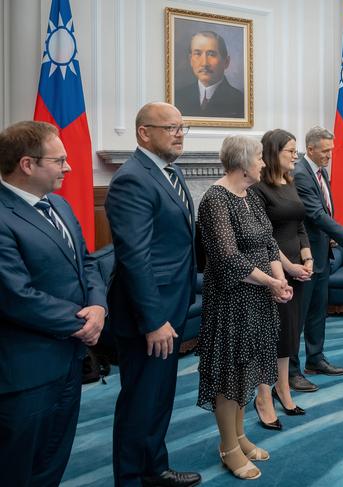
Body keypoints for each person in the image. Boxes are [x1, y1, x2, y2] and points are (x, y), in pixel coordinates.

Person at [0, 121, 106, 486]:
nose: (69, 168)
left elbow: (87, 263)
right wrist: (84, 323)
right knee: (17, 467)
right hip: (26, 371)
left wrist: (98, 307)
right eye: (59, 160)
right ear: (27, 164)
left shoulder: (58, 204)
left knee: (53, 459)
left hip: (69, 361)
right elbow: (15, 294)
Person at [106, 102, 201, 487]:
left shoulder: (170, 172)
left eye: (183, 127)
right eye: (171, 128)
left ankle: (155, 468)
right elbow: (135, 258)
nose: (179, 134)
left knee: (159, 397)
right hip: (149, 316)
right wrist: (153, 320)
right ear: (144, 132)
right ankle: (130, 478)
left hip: (171, 307)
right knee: (139, 401)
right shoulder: (133, 178)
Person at [196, 135, 292, 480]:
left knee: (248, 369)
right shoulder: (215, 200)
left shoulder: (250, 195)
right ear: (242, 162)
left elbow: (268, 242)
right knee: (229, 373)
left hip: (258, 298)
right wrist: (271, 283)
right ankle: (228, 447)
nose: (264, 163)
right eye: (259, 158)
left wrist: (279, 280)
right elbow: (226, 257)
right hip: (231, 301)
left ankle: (239, 436)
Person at [290, 126, 343, 392]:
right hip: (304, 257)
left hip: (322, 254)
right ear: (311, 149)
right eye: (325, 150)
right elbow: (315, 214)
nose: (329, 155)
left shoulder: (320, 171)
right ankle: (291, 371)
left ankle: (315, 359)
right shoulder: (301, 174)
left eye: (331, 150)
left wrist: (335, 237)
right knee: (299, 316)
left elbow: (325, 210)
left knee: (317, 311)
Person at [251, 129, 312, 429]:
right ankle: (263, 395)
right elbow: (263, 237)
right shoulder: (258, 189)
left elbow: (300, 224)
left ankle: (283, 389)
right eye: (290, 150)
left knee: (289, 333)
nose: (295, 155)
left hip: (297, 269)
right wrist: (288, 267)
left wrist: (308, 257)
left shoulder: (289, 182)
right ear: (274, 152)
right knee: (270, 335)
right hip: (273, 271)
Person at [175, 31, 245, 118]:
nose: (204, 63)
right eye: (197, 54)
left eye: (211, 54)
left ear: (226, 62)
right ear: (190, 60)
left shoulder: (240, 101)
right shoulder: (178, 97)